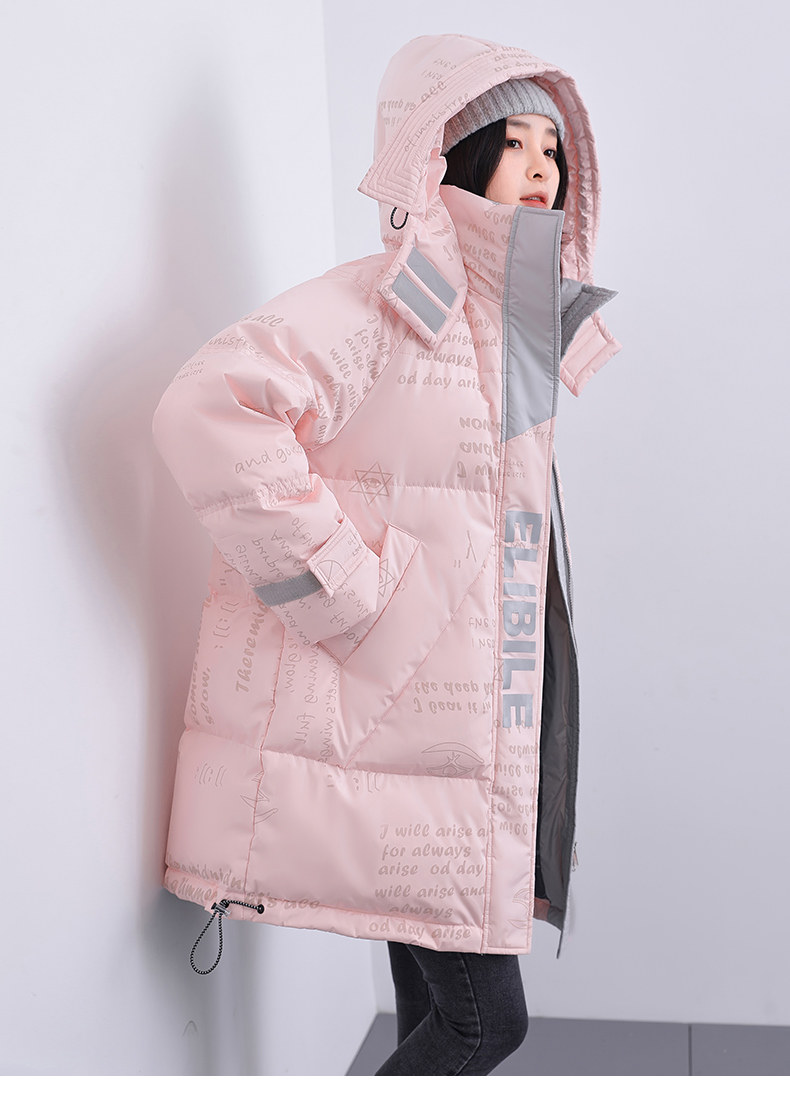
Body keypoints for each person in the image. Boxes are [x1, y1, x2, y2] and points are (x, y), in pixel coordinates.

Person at [152, 33, 621, 1076]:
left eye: (552, 147)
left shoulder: (511, 317)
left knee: (434, 1003)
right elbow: (207, 410)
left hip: (461, 726)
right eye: (513, 141)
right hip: (403, 717)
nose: (540, 167)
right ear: (441, 156)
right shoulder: (388, 303)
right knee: (482, 1024)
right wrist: (341, 590)